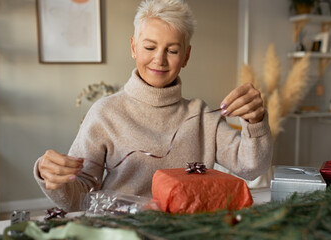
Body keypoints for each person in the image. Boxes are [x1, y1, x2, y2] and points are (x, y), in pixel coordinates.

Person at [34, 0, 273, 211]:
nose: (159, 59)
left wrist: (256, 122)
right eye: (149, 47)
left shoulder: (202, 116)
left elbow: (251, 167)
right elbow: (79, 199)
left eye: (172, 50)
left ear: (186, 56)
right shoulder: (104, 113)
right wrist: (51, 176)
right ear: (133, 47)